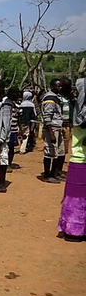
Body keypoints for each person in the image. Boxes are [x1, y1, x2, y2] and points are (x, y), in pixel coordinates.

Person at [57, 74, 86, 242]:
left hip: (78, 161)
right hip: (80, 161)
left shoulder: (76, 111)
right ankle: (75, 229)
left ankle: (74, 229)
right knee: (78, 198)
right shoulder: (80, 115)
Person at [41, 79, 65, 183]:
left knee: (58, 152)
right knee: (50, 152)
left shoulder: (56, 97)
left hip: (57, 128)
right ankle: (47, 175)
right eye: (57, 86)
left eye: (60, 86)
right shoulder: (50, 98)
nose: (59, 88)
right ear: (52, 86)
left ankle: (54, 173)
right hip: (52, 128)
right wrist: (51, 134)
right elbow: (47, 117)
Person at [60, 78, 75, 173]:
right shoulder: (57, 97)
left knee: (64, 149)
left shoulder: (71, 99)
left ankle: (59, 170)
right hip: (58, 125)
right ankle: (54, 170)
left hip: (67, 125)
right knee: (56, 148)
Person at [7, 87, 21, 170]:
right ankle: (4, 164)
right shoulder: (6, 104)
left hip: (14, 129)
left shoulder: (17, 106)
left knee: (11, 148)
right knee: (5, 148)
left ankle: (9, 163)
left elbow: (19, 118)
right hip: (6, 130)